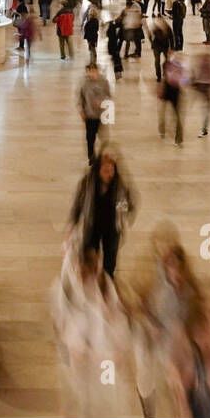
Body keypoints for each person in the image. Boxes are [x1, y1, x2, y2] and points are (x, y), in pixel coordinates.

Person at [67, 148, 136, 278]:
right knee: (89, 258)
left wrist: (124, 216)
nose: (107, 173)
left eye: (110, 169)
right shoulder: (88, 182)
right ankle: (91, 283)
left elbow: (130, 205)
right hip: (92, 226)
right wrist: (72, 225)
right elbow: (77, 205)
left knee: (109, 264)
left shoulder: (119, 186)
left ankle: (107, 286)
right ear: (98, 169)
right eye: (104, 168)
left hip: (111, 229)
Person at [77, 62, 112, 161]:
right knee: (90, 137)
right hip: (90, 115)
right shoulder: (84, 83)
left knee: (104, 137)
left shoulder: (104, 81)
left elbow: (109, 95)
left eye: (94, 70)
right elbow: (80, 98)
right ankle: (91, 157)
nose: (92, 73)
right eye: (90, 71)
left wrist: (103, 103)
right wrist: (81, 112)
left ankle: (103, 157)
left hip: (102, 115)